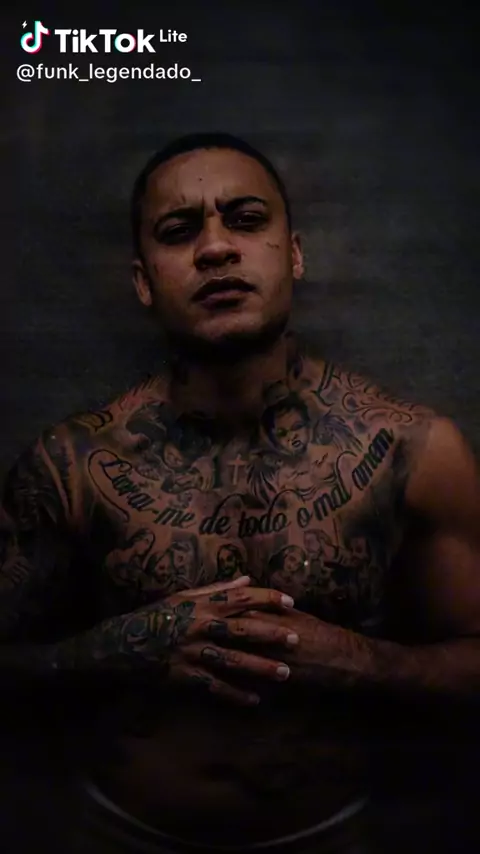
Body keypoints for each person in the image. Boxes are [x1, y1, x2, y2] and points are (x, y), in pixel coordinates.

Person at [1, 131, 479, 854]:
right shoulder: (71, 465)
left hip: (339, 834)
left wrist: (356, 660)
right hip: (120, 833)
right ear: (143, 280)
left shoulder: (414, 450)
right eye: (178, 231)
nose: (216, 248)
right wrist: (119, 649)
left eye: (246, 220)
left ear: (294, 255)